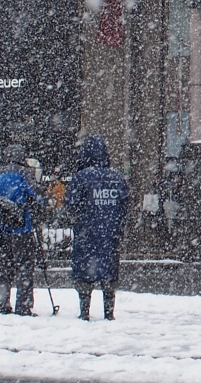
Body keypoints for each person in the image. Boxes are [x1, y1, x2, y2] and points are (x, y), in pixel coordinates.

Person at [66, 135, 129, 321]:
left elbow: (72, 204)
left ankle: (84, 310)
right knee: (109, 272)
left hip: (87, 234)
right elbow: (124, 206)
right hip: (110, 235)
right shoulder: (117, 178)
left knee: (85, 272)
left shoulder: (81, 178)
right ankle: (109, 311)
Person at [0, 144, 43, 316]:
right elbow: (37, 195)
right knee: (24, 267)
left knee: (3, 267)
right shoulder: (24, 173)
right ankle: (23, 306)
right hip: (21, 227)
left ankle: (1, 303)